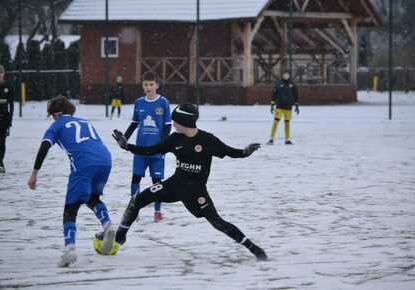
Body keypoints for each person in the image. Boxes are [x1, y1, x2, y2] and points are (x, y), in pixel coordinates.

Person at [110, 103, 268, 260]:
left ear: (185, 122)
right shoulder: (175, 139)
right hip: (173, 186)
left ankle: (253, 248)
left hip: (196, 192)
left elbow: (230, 151)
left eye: (175, 121)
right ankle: (120, 236)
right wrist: (127, 146)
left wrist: (245, 152)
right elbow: (152, 150)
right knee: (136, 200)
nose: (173, 125)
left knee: (217, 222)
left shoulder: (207, 140)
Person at [27, 96, 116, 267]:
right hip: (105, 160)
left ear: (54, 115)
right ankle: (108, 225)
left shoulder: (56, 125)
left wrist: (34, 174)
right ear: (72, 112)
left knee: (71, 206)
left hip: (84, 163)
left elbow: (44, 147)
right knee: (91, 197)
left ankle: (69, 249)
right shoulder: (84, 121)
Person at [123, 71, 171, 222]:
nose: (149, 87)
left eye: (151, 84)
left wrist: (162, 143)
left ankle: (157, 212)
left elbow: (167, 126)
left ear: (157, 85)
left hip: (157, 151)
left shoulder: (164, 102)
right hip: (140, 150)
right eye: (146, 84)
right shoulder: (139, 102)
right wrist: (124, 138)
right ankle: (134, 209)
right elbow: (135, 123)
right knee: (135, 179)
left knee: (157, 183)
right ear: (142, 85)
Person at [267, 71, 299, 145]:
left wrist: (296, 105)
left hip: (288, 107)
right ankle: (271, 139)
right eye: (284, 75)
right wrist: (272, 104)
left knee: (287, 123)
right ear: (282, 76)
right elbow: (274, 94)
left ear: (289, 76)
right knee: (276, 122)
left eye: (287, 75)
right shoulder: (278, 84)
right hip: (279, 106)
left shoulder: (292, 84)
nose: (286, 76)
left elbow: (296, 95)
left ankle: (287, 139)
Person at [0, 64, 14, 173]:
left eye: (0, 72)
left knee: (1, 142)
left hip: (3, 118)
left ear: (3, 74)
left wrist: (10, 121)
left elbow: (11, 105)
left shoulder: (8, 86)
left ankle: (0, 163)